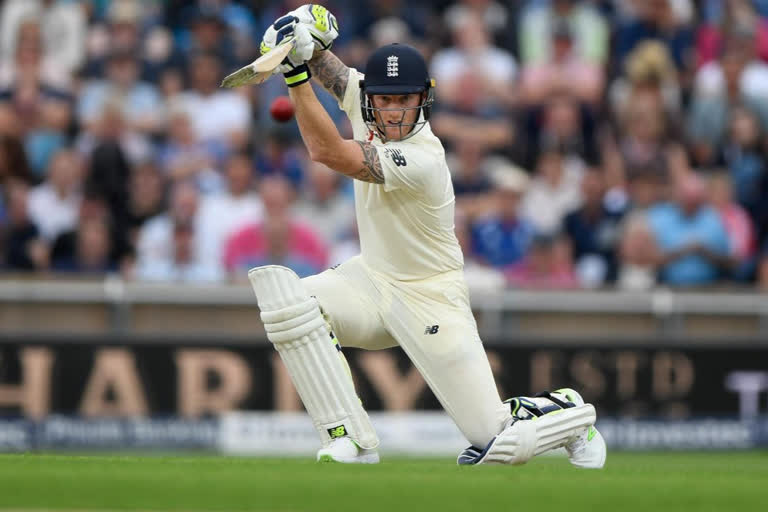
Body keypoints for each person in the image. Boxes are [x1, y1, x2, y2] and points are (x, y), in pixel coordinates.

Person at [247, 4, 605, 467]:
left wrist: (294, 76)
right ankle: (348, 439)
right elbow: (335, 75)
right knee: (289, 303)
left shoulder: (423, 160)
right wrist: (305, 39)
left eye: (405, 100)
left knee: (496, 443)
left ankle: (570, 411)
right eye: (385, 100)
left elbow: (327, 152)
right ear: (373, 98)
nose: (393, 112)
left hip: (431, 297)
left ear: (423, 101)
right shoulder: (367, 102)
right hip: (371, 281)